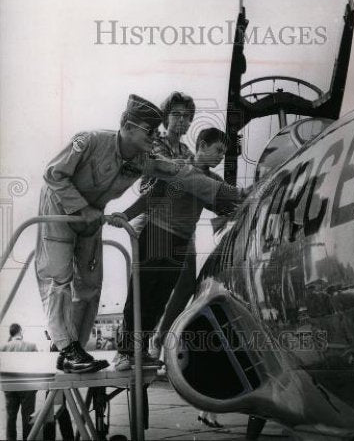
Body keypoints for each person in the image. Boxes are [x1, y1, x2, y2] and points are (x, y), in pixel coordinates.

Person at [35, 94, 228, 373]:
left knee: (90, 285)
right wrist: (82, 208)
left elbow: (180, 174)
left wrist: (231, 194)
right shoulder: (89, 141)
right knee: (59, 280)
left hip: (92, 216)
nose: (155, 135)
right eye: (149, 131)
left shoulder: (143, 158)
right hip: (60, 210)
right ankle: (66, 346)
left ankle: (76, 347)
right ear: (127, 126)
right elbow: (53, 174)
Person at [113, 127, 242, 370]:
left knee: (160, 299)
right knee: (140, 295)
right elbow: (152, 196)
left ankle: (141, 351)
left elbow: (223, 206)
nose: (220, 157)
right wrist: (125, 215)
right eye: (218, 150)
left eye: (224, 153)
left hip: (180, 243)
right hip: (156, 235)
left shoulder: (213, 181)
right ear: (202, 145)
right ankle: (124, 352)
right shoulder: (177, 168)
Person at [0, 324, 37, 441]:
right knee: (27, 417)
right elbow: (38, 365)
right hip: (28, 387)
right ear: (20, 331)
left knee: (11, 417)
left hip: (9, 386)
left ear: (10, 333)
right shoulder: (31, 346)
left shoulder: (4, 347)